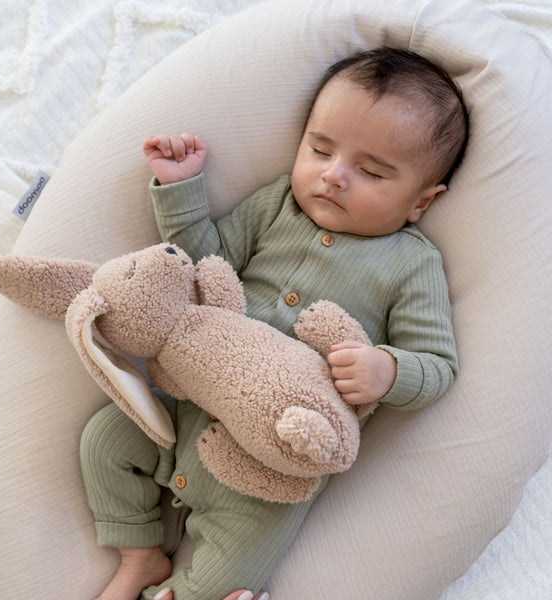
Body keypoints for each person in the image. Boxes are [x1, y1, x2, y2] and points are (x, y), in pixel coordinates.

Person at [80, 47, 469, 600]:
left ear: (421, 201)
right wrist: (182, 188)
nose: (334, 176)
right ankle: (139, 553)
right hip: (189, 405)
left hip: (274, 469)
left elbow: (438, 365)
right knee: (104, 439)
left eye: (372, 171)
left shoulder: (411, 264)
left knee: (230, 577)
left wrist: (388, 371)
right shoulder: (274, 207)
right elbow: (203, 266)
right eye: (320, 149)